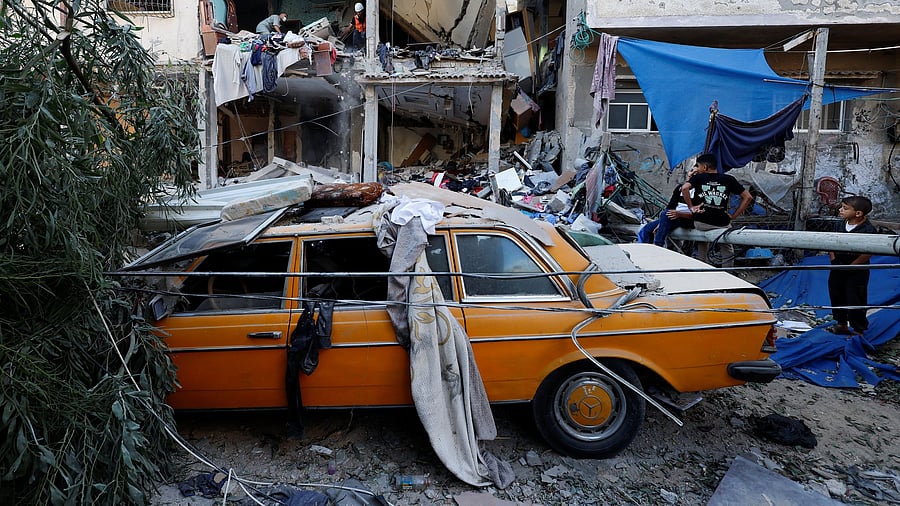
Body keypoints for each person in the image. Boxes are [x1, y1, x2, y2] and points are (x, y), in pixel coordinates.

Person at [681, 153, 753, 268]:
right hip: (722, 223)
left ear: (705, 167)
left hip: (701, 223)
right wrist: (734, 215)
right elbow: (748, 197)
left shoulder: (698, 178)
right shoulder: (729, 179)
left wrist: (691, 207)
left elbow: (684, 188)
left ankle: (703, 269)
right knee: (727, 247)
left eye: (698, 166)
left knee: (702, 243)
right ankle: (727, 272)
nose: (697, 169)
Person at [827, 195, 877, 335]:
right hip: (837, 267)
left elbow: (868, 252)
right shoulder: (839, 224)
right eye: (841, 207)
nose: (840, 210)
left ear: (858, 213)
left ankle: (858, 329)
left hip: (857, 270)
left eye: (845, 208)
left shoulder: (868, 229)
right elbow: (830, 242)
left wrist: (853, 265)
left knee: (855, 297)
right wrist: (834, 260)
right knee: (836, 294)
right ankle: (841, 323)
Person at [638, 167, 698, 247]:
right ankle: (645, 253)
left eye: (695, 173)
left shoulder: (700, 191)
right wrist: (661, 223)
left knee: (666, 214)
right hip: (672, 217)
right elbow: (671, 206)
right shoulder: (679, 188)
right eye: (691, 171)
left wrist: (679, 214)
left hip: (687, 219)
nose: (691, 174)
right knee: (647, 229)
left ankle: (658, 245)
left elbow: (698, 215)